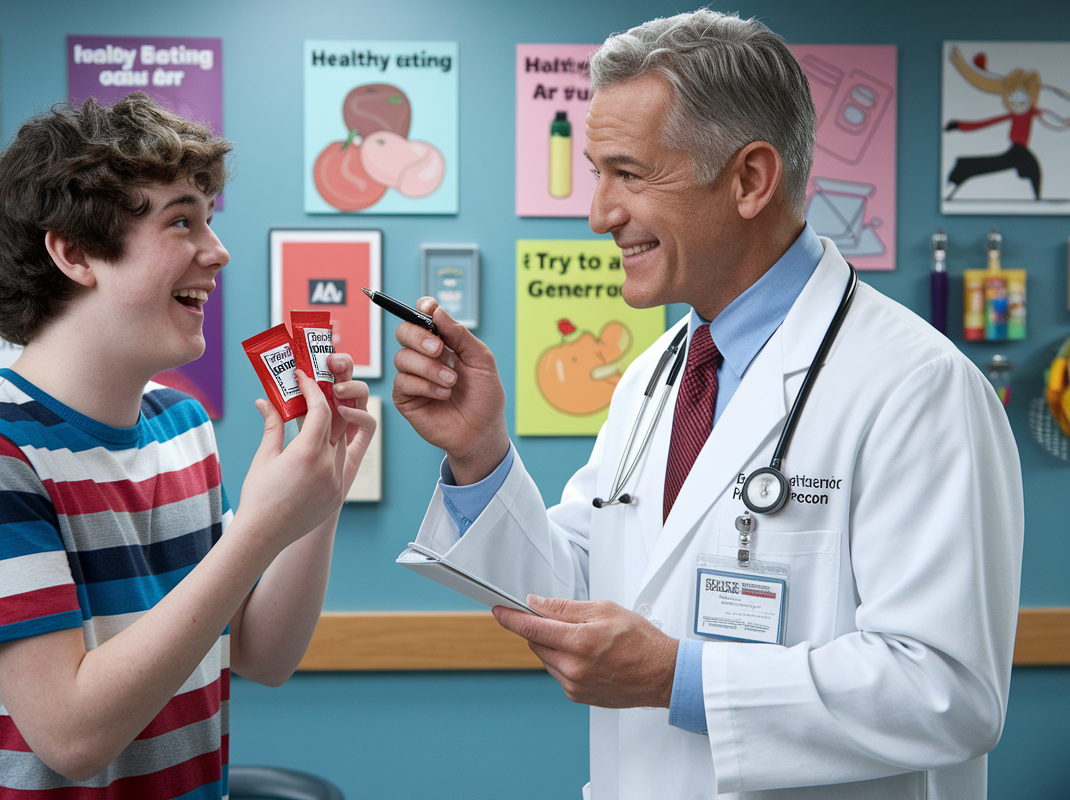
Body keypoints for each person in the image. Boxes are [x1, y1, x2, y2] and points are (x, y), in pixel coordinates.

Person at [392, 11, 1022, 800]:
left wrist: (682, 679)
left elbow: (949, 693)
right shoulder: (655, 377)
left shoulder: (917, 387)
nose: (599, 213)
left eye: (629, 173)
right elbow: (579, 593)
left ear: (750, 180)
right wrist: (479, 452)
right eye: (595, 172)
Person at [0, 93, 375, 799]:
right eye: (180, 221)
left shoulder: (182, 425)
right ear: (74, 252)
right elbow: (73, 737)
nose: (217, 253)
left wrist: (322, 486)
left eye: (208, 222)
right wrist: (259, 529)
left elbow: (264, 654)